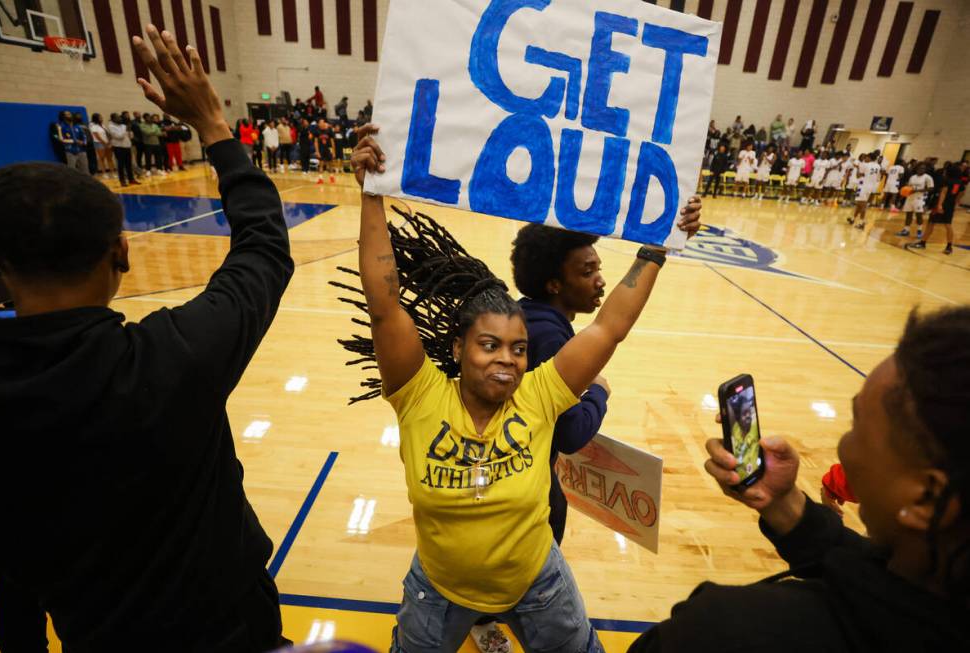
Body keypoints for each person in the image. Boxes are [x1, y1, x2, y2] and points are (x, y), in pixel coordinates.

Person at [340, 123, 701, 653]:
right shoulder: (419, 394)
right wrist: (371, 196)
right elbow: (384, 303)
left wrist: (657, 246)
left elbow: (609, 327)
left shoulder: (539, 395)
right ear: (460, 347)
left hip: (539, 584)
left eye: (518, 348)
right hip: (438, 590)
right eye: (490, 345)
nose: (507, 360)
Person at [0, 26, 294, 651]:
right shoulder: (173, 357)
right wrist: (212, 123)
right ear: (122, 253)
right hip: (231, 629)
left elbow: (12, 584)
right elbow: (264, 247)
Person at [629, 305, 970, 652]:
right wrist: (784, 504)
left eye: (857, 426)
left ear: (926, 498)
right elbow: (874, 572)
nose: (843, 446)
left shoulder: (722, 632)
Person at [907, 163, 964, 254]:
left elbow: (943, 193)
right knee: (948, 225)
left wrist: (939, 205)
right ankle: (949, 247)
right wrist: (956, 202)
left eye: (946, 171)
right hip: (950, 206)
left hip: (941, 205)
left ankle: (922, 243)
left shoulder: (947, 181)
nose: (945, 172)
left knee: (931, 223)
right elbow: (961, 193)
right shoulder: (960, 183)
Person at [897, 163, 934, 238]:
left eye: (923, 168)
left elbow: (931, 188)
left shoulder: (928, 178)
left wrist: (917, 190)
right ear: (917, 169)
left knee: (919, 215)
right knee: (908, 214)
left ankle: (919, 230)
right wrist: (905, 191)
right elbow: (909, 187)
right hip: (910, 197)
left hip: (920, 198)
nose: (921, 170)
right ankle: (906, 230)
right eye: (920, 168)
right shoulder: (912, 177)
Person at [849, 153, 883, 229]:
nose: (865, 159)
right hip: (870, 187)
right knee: (859, 203)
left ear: (869, 158)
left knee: (862, 205)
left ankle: (862, 222)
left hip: (863, 186)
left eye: (866, 157)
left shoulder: (865, 165)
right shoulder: (878, 166)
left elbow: (858, 176)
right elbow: (878, 178)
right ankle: (853, 219)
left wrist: (857, 168)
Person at [106, 112, 140, 187]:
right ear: (113, 119)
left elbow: (130, 137)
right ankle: (122, 181)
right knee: (121, 165)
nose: (120, 118)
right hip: (118, 147)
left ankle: (131, 179)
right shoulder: (111, 126)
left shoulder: (123, 125)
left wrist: (130, 132)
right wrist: (126, 130)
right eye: (117, 117)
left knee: (129, 164)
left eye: (120, 117)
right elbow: (119, 136)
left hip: (127, 146)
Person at [89, 113, 114, 179]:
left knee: (109, 158)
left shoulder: (103, 125)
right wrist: (104, 143)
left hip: (107, 142)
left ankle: (112, 172)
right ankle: (104, 173)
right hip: (99, 143)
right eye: (100, 117)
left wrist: (109, 142)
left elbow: (107, 134)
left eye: (101, 117)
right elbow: (97, 136)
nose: (101, 118)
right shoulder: (93, 126)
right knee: (102, 158)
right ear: (96, 118)